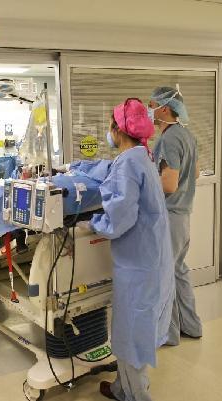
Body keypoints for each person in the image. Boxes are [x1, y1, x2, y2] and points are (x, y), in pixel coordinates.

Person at [85, 99, 175, 401]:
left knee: (132, 335)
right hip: (151, 258)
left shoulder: (127, 164)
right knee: (135, 330)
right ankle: (122, 389)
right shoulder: (143, 157)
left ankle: (136, 395)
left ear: (118, 129)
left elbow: (119, 220)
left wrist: (92, 224)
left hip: (139, 266)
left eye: (110, 126)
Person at [148, 86, 203, 346]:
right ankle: (191, 326)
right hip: (183, 216)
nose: (149, 111)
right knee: (179, 271)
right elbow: (196, 173)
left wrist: (144, 184)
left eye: (152, 106)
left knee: (165, 276)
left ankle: (168, 335)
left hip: (170, 217)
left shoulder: (168, 139)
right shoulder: (187, 135)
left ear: (165, 109)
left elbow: (169, 185)